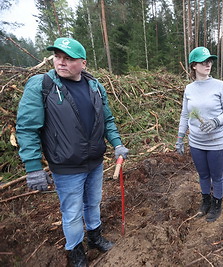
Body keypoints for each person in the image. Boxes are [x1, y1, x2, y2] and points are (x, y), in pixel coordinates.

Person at [16, 37, 129, 267]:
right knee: (72, 211)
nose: (61, 62)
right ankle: (75, 250)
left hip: (95, 161)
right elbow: (27, 128)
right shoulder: (42, 85)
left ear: (83, 63)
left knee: (94, 202)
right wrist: (33, 167)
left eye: (68, 59)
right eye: (58, 57)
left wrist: (117, 143)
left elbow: (107, 120)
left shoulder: (95, 86)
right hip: (66, 166)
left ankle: (95, 238)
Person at [175, 47, 223, 222]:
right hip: (196, 142)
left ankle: (217, 204)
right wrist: (180, 138)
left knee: (216, 176)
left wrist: (216, 121)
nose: (208, 64)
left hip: (218, 142)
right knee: (203, 175)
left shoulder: (220, 86)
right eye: (203, 61)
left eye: (210, 60)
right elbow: (185, 115)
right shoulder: (189, 89)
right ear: (194, 65)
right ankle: (206, 201)